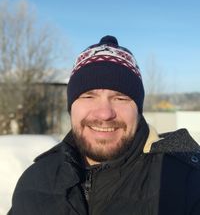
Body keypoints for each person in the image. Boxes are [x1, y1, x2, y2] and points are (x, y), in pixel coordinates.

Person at [8, 35, 200, 215]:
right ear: (71, 107)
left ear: (138, 110)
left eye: (120, 98)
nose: (104, 113)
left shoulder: (186, 181)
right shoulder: (35, 181)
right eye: (88, 96)